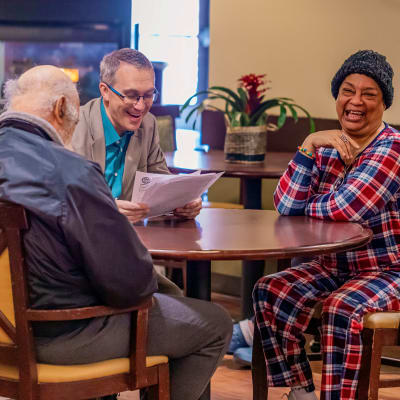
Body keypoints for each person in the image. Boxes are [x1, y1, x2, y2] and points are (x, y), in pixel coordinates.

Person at [0, 65, 232, 400]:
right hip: (61, 335)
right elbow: (130, 285)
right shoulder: (72, 173)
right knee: (213, 323)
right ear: (62, 108)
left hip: (6, 333)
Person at [252, 49, 400, 400]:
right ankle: (300, 391)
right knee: (270, 291)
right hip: (334, 266)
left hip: (389, 271)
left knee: (341, 307)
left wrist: (309, 206)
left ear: (384, 103)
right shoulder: (326, 145)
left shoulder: (392, 149)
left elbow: (348, 209)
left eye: (369, 94)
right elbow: (285, 205)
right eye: (348, 90)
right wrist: (307, 145)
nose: (356, 101)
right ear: (337, 96)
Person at [71, 47, 201, 295]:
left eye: (148, 95)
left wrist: (182, 201)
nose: (141, 106)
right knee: (167, 301)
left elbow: (161, 180)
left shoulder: (148, 125)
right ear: (105, 91)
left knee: (174, 297)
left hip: (126, 248)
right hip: (80, 254)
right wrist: (106, 207)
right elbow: (62, 197)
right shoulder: (75, 125)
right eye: (131, 96)